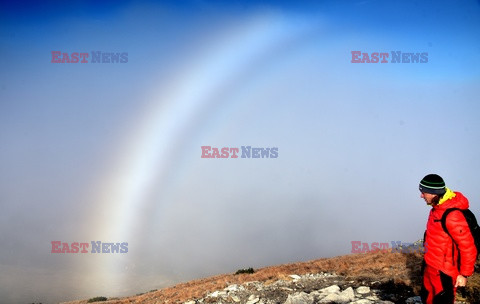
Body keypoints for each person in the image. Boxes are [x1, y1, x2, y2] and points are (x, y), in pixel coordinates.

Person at [419, 174, 477, 304]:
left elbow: (468, 247)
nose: (421, 196)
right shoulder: (435, 209)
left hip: (445, 272)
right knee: (427, 298)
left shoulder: (452, 215)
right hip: (430, 267)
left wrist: (464, 274)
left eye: (424, 192)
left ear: (435, 193)